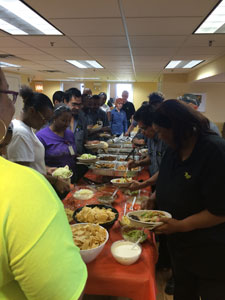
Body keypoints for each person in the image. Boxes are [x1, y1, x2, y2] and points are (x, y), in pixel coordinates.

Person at [0, 68, 87, 299]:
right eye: (8, 95)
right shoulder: (23, 188)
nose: (11, 104)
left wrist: (47, 171)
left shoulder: (27, 131)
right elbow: (62, 293)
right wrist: (49, 179)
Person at [151, 99, 225, 300]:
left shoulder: (214, 151)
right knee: (184, 292)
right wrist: (153, 197)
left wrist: (181, 225)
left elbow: (220, 211)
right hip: (181, 247)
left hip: (210, 251)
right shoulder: (174, 148)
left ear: (177, 128)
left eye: (161, 131)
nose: (159, 136)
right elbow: (167, 178)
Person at [7, 86, 69, 195]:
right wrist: (55, 181)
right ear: (32, 111)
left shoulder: (27, 129)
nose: (45, 123)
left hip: (37, 188)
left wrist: (46, 169)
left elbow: (31, 165)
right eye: (44, 119)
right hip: (29, 193)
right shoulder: (21, 133)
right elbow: (24, 174)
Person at [36, 105, 77, 183]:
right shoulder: (41, 136)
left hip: (71, 178)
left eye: (69, 121)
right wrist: (47, 169)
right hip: (53, 180)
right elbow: (36, 163)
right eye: (64, 120)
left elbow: (72, 154)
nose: (67, 124)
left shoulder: (69, 134)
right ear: (54, 118)